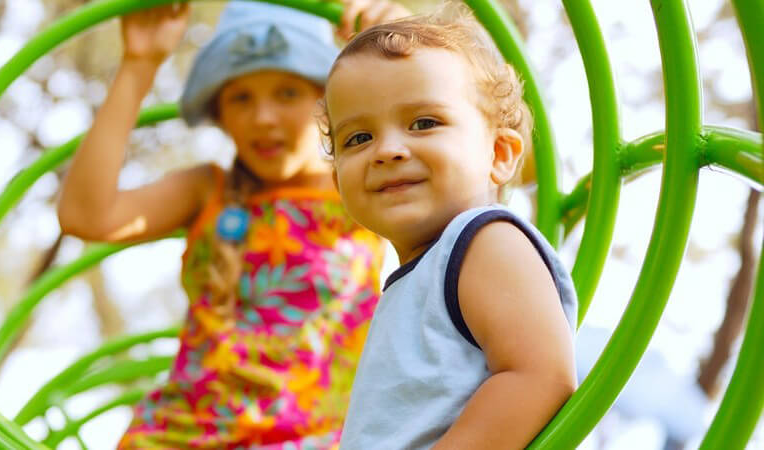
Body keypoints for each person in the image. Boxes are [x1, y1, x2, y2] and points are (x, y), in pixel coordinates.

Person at [57, 0, 409, 448]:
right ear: (220, 115)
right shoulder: (208, 190)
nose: (263, 117)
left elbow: (468, 163)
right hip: (183, 436)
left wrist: (402, 48)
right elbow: (85, 215)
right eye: (241, 98)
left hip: (315, 437)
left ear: (332, 106)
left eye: (287, 93)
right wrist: (139, 65)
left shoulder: (361, 185)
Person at [322, 6, 578, 449]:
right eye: (358, 138)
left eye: (424, 123)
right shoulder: (424, 275)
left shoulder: (484, 239)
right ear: (337, 179)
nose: (387, 150)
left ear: (499, 153)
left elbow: (539, 374)